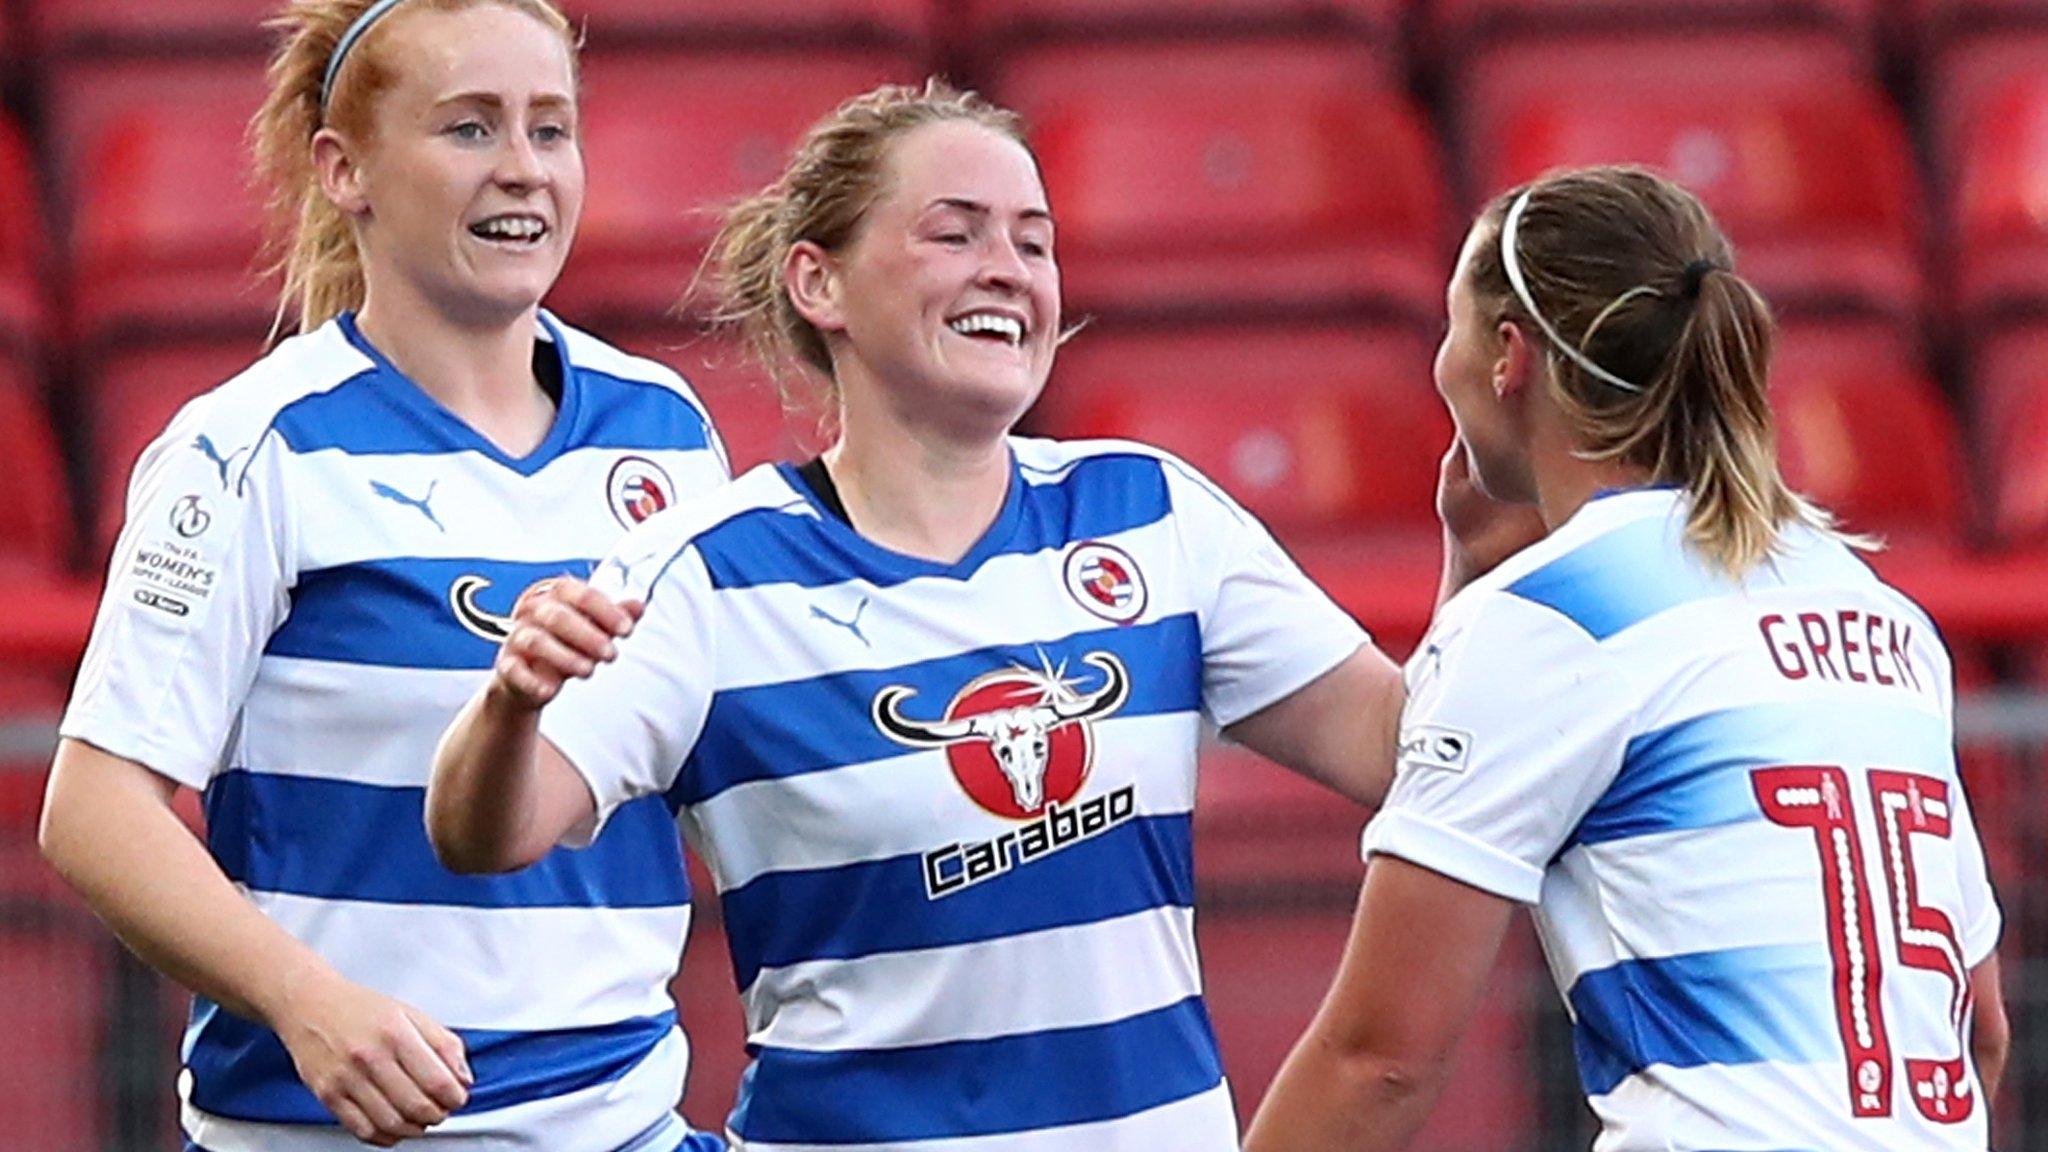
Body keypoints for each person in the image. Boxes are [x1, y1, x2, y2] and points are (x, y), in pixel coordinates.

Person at [427, 80, 1529, 1150]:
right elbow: (488, 833)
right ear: (819, 283)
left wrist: (1474, 566)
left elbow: (1411, 755)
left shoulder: (1149, 512)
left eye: (1034, 242)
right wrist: (513, 701)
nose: (1005, 270)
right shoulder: (707, 573)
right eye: (954, 235)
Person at [38, 1, 731, 1149]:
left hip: (623, 1124)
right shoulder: (254, 448)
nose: (522, 170)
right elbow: (96, 811)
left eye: (550, 130)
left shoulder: (664, 432)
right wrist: (310, 1004)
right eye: (468, 129)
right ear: (343, 168)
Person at [1242, 165, 2011, 1152]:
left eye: (1452, 328)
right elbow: (1976, 1032)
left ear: (1506, 359)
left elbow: (1379, 1061)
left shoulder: (1553, 619)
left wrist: (1489, 597)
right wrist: (1470, 574)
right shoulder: (1879, 611)